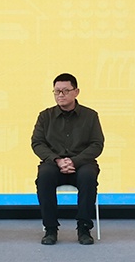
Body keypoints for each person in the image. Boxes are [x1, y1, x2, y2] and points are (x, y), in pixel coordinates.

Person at [31, 73, 104, 246]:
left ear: (76, 92)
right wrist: (57, 160)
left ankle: (84, 227)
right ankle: (50, 229)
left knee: (88, 176)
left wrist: (74, 161)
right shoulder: (45, 116)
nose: (60, 95)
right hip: (53, 163)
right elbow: (37, 143)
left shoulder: (90, 116)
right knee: (44, 176)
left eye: (65, 91)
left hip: (82, 163)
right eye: (57, 91)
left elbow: (97, 144)